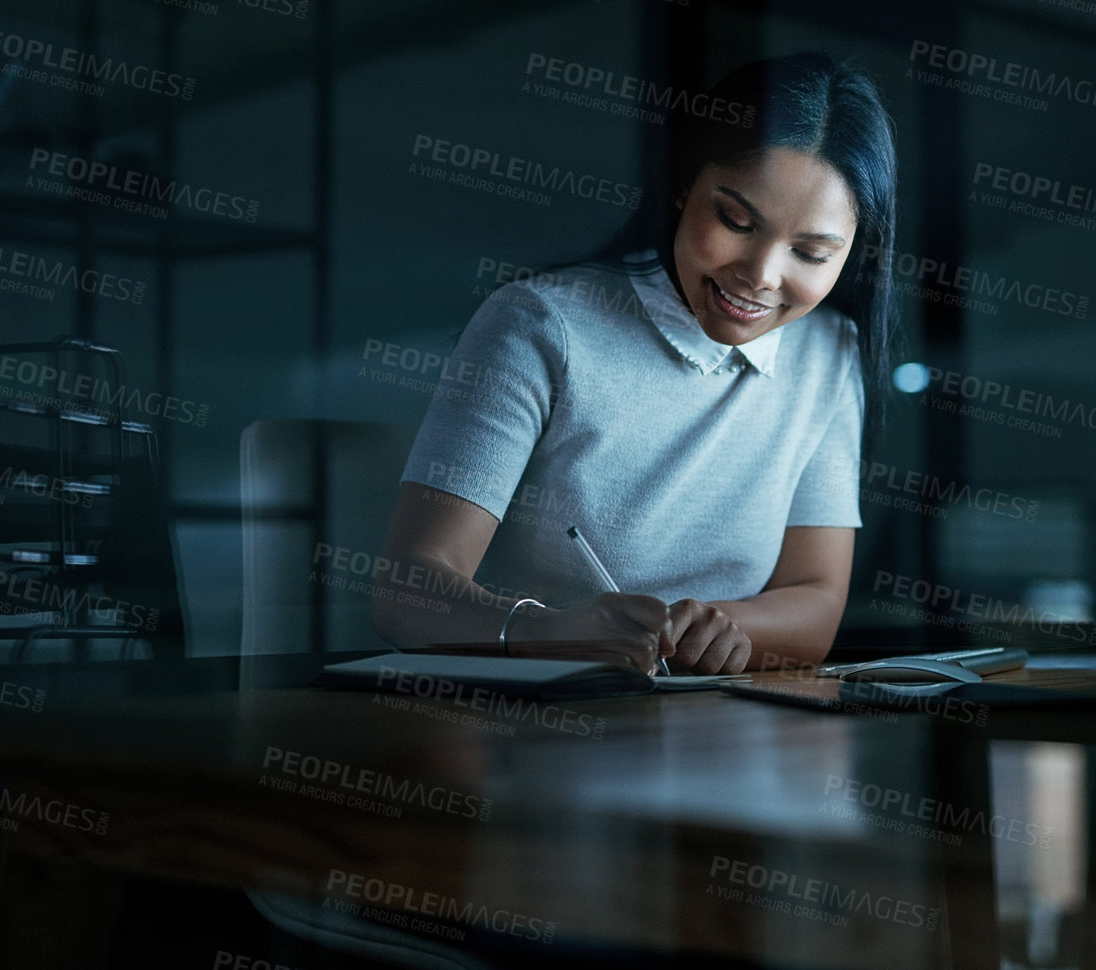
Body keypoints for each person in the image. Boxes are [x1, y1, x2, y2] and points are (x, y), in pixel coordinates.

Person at [370, 53, 899, 674]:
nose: (760, 276)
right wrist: (549, 632)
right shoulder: (541, 325)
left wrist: (717, 630)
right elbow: (406, 593)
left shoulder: (828, 352)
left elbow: (817, 600)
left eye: (810, 253)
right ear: (683, 185)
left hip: (713, 730)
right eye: (735, 220)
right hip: (528, 732)